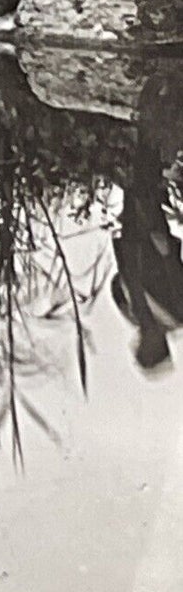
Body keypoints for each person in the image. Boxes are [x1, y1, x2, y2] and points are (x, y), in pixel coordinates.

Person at [111, 69, 183, 372]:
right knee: (146, 179)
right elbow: (177, 276)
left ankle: (154, 107)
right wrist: (166, 251)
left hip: (131, 237)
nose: (143, 342)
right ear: (159, 347)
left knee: (139, 179)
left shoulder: (134, 314)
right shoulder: (177, 315)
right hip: (154, 239)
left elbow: (119, 284)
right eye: (148, 348)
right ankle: (160, 102)